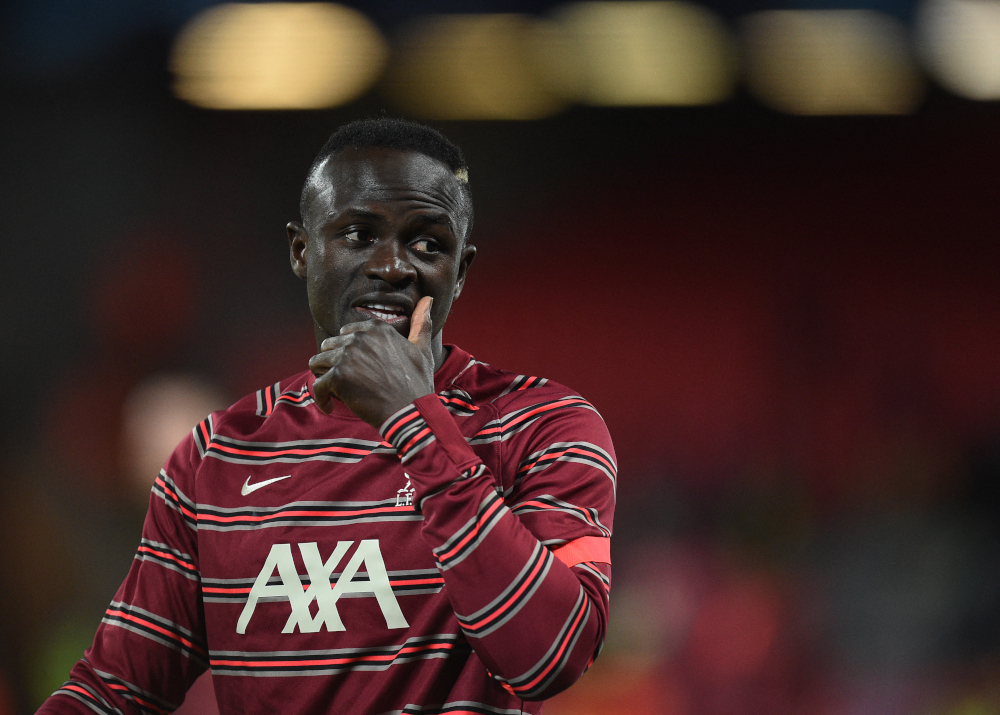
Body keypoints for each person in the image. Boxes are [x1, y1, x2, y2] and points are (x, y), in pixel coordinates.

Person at [38, 118, 616, 715]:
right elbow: (113, 691)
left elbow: (551, 657)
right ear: (301, 251)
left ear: (461, 272)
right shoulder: (216, 455)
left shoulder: (543, 427)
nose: (392, 266)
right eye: (359, 234)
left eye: (427, 244)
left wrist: (413, 421)